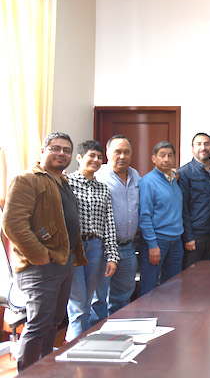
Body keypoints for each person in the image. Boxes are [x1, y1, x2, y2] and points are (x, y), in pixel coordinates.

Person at [2, 132, 86, 371]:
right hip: (39, 267)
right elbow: (13, 224)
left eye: (66, 150)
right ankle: (27, 372)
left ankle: (44, 369)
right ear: (43, 151)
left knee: (54, 322)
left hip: (63, 262)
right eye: (55, 148)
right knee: (39, 323)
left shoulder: (62, 181)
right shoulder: (27, 179)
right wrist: (40, 255)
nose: (61, 154)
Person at [65, 140, 119, 342]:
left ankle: (83, 343)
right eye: (91, 156)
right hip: (74, 248)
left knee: (88, 301)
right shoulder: (65, 183)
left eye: (99, 157)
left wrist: (112, 255)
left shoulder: (103, 188)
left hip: (96, 247)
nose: (96, 160)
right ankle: (74, 348)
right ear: (79, 158)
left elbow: (109, 223)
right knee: (78, 303)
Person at [91, 135, 141, 323]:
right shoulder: (98, 175)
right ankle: (96, 335)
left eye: (126, 152)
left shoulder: (135, 175)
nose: (122, 156)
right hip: (102, 248)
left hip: (128, 247)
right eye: (117, 152)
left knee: (123, 297)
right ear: (108, 153)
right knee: (98, 299)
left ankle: (118, 333)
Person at [138, 141, 184, 296]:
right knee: (149, 287)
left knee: (173, 285)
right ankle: (146, 312)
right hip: (157, 241)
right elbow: (145, 216)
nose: (166, 159)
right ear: (154, 158)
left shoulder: (173, 179)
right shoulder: (147, 182)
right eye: (162, 156)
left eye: (170, 156)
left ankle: (168, 312)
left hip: (176, 241)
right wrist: (152, 245)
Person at [178, 132, 210, 268]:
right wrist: (188, 237)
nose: (203, 147)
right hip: (194, 235)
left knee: (209, 273)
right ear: (192, 148)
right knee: (191, 276)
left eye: (206, 144)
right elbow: (183, 208)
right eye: (199, 144)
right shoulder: (184, 173)